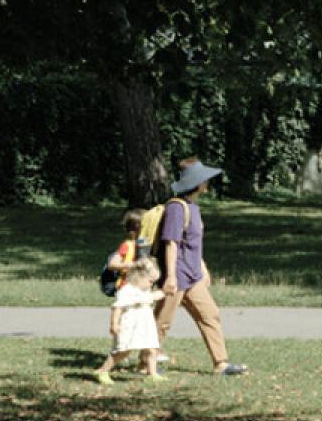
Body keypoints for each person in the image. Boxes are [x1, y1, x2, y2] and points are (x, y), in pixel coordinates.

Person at [155, 158, 247, 376]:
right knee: (162, 321)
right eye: (205, 179)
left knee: (210, 315)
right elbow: (171, 243)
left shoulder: (193, 207)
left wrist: (202, 268)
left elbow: (193, 244)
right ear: (196, 183)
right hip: (176, 275)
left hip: (193, 276)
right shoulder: (177, 208)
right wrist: (170, 277)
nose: (208, 183)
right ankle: (146, 362)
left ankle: (221, 364)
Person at [92, 256, 164, 385]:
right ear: (139, 277)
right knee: (123, 352)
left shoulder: (144, 290)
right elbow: (117, 308)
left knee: (152, 349)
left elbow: (155, 296)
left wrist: (167, 291)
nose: (152, 285)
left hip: (145, 326)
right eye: (150, 281)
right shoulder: (127, 291)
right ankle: (103, 370)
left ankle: (152, 373)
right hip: (129, 326)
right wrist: (114, 324)